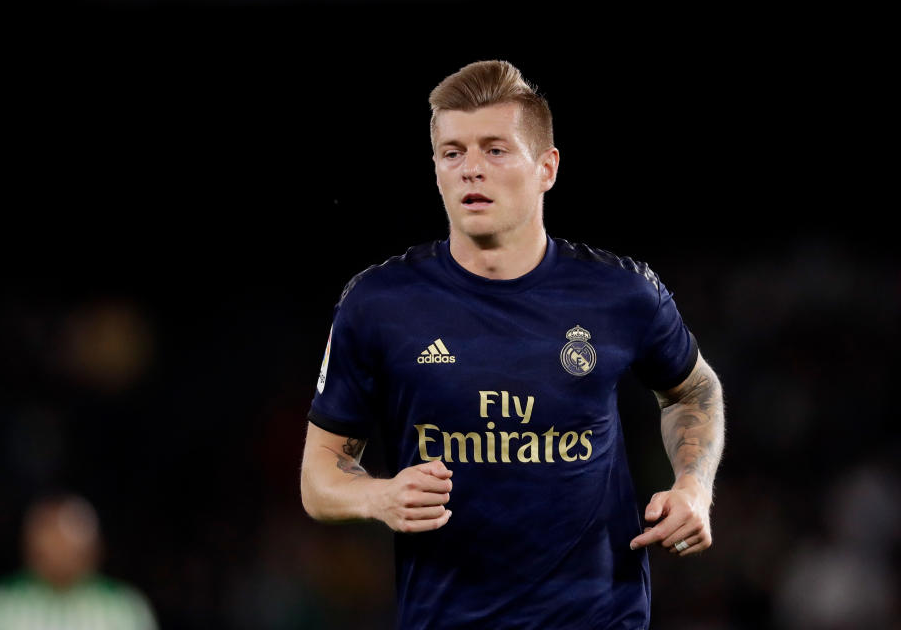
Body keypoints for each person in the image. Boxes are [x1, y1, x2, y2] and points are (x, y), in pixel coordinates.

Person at [300, 60, 725, 629]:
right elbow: (319, 478)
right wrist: (377, 497)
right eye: (453, 153)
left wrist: (694, 487)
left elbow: (692, 389)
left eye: (495, 150)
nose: (471, 169)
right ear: (435, 169)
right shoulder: (379, 304)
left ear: (547, 167)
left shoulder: (620, 293)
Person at [0, 494, 158, 630]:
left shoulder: (124, 606)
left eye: (68, 539)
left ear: (94, 547)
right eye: (49, 536)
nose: (59, 550)